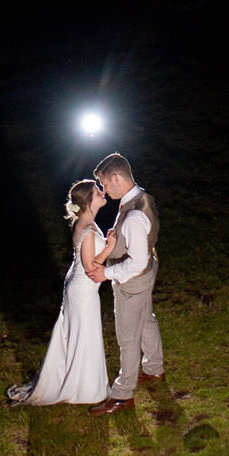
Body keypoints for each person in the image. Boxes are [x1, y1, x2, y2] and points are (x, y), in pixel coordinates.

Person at [7, 180, 124, 407]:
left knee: (80, 335)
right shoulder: (87, 228)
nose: (102, 193)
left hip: (78, 287)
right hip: (83, 291)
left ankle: (83, 384)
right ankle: (85, 390)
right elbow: (91, 268)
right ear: (89, 201)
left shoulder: (86, 223)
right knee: (84, 335)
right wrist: (109, 248)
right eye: (97, 192)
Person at [89, 153, 163, 413]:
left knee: (128, 338)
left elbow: (135, 263)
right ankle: (154, 369)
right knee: (146, 319)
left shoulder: (133, 216)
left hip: (133, 282)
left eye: (105, 184)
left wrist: (105, 274)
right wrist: (117, 237)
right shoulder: (142, 197)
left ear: (117, 178)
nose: (104, 191)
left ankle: (122, 394)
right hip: (147, 273)